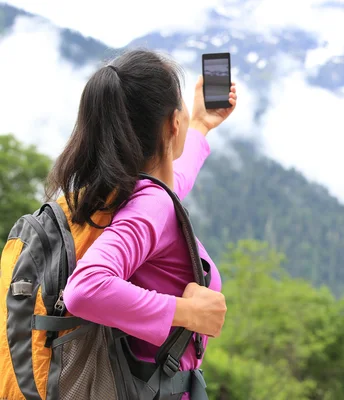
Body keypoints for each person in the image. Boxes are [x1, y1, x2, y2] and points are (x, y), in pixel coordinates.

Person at [44, 49, 235, 394]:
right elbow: (85, 289)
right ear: (172, 124)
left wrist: (201, 125)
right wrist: (186, 312)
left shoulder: (123, 189)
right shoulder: (152, 205)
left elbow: (174, 180)